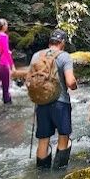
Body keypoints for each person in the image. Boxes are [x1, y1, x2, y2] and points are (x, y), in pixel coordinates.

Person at [30, 29, 77, 169]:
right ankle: (59, 172)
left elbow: (29, 81)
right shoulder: (65, 57)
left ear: (50, 42)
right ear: (62, 42)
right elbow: (70, 82)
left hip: (42, 103)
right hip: (60, 102)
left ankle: (41, 174)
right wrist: (74, 86)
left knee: (43, 141)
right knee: (63, 137)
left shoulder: (36, 56)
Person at [0, 18, 16, 106]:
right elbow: (5, 52)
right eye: (6, 24)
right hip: (3, 65)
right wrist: (12, 65)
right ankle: (8, 110)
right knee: (5, 89)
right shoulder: (4, 36)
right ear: (3, 26)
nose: (7, 26)